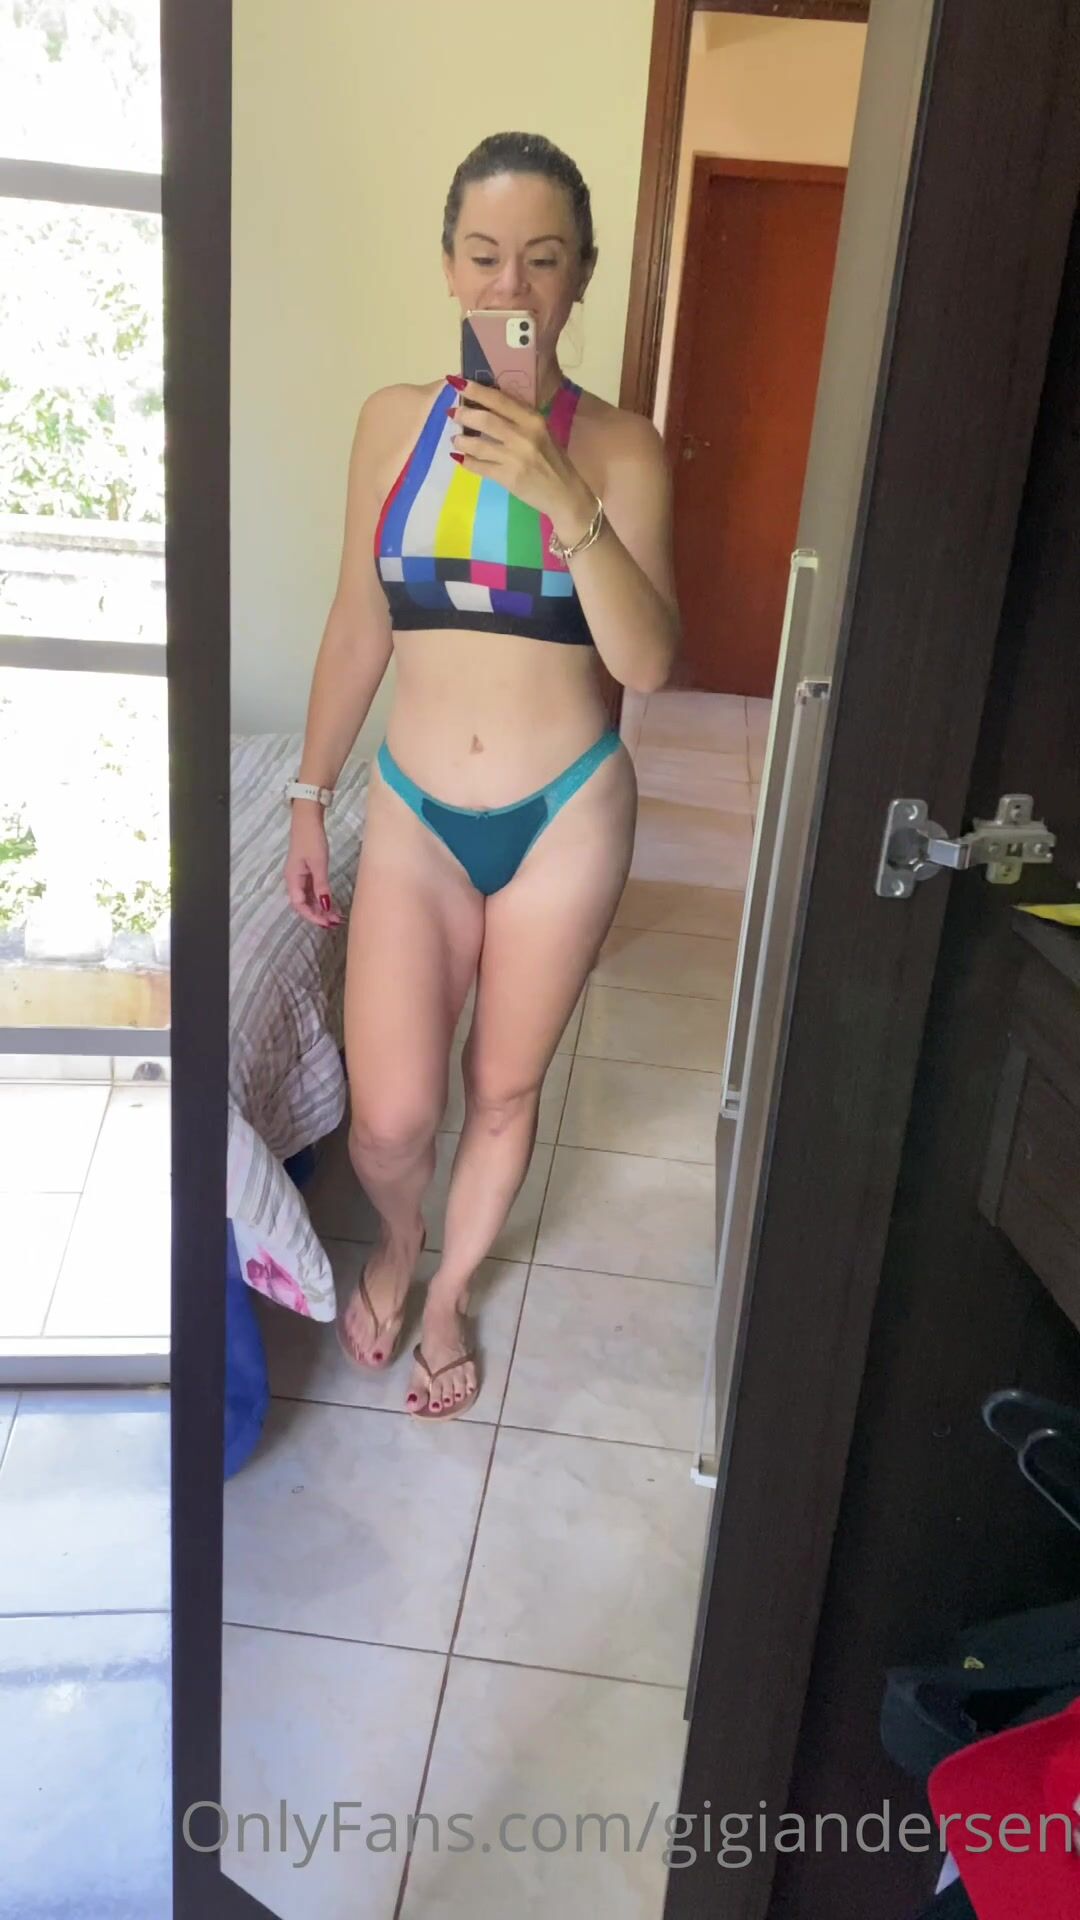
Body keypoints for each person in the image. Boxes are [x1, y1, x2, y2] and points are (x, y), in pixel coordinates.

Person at [284, 130, 679, 1420]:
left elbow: (649, 660)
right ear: (451, 267)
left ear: (583, 278)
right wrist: (308, 791)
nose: (513, 286)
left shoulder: (624, 451)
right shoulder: (390, 425)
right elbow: (358, 622)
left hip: (566, 818)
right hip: (414, 812)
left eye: (545, 261)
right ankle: (400, 1234)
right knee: (390, 1121)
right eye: (487, 255)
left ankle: (449, 1289)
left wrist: (565, 496)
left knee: (502, 1089)